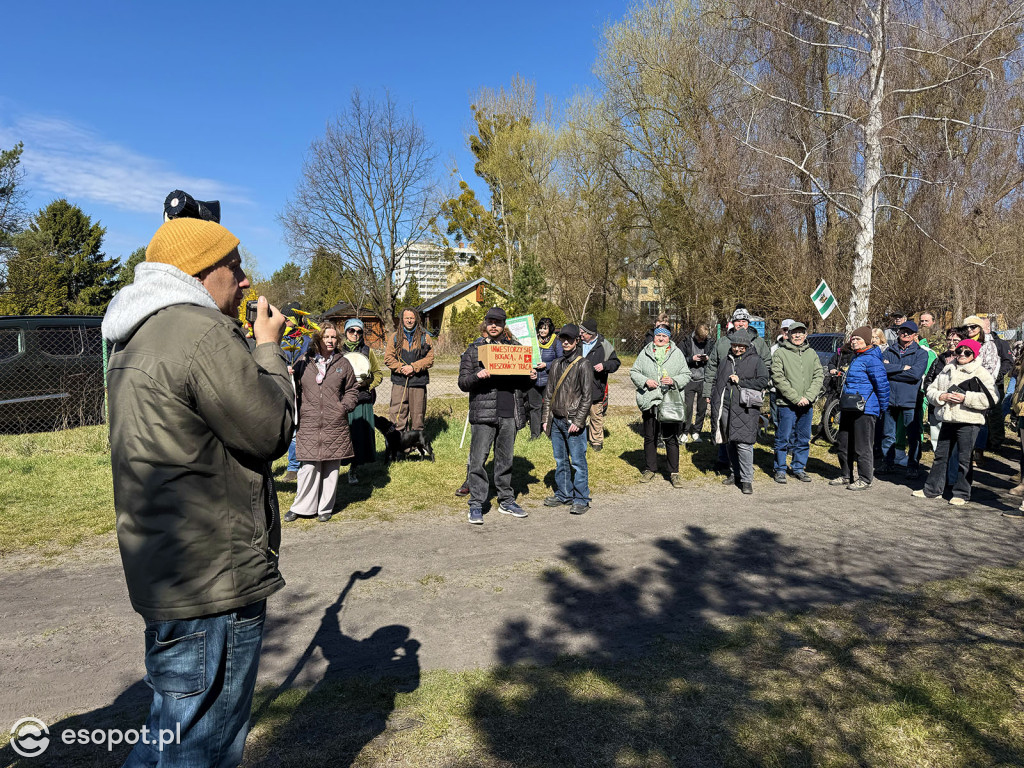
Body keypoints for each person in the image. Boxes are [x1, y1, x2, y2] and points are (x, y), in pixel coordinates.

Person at [102, 217, 294, 767]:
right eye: (234, 267)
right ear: (202, 273)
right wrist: (267, 347)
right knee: (203, 746)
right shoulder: (201, 332)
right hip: (213, 578)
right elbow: (271, 428)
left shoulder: (134, 333)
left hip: (163, 568)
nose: (246, 282)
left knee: (169, 725)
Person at [458, 307, 535, 524]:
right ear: (485, 323)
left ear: (504, 326)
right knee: (478, 460)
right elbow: (463, 383)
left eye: (498, 322)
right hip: (483, 413)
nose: (494, 326)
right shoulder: (473, 350)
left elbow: (524, 383)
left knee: (505, 460)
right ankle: (476, 504)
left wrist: (530, 376)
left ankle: (506, 500)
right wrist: (477, 376)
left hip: (509, 412)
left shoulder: (516, 349)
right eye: (491, 322)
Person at [285, 322, 360, 522]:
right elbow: (294, 389)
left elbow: (352, 389)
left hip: (335, 422)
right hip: (309, 421)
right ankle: (302, 507)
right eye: (326, 337)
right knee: (308, 467)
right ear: (318, 338)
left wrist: (343, 407)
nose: (330, 341)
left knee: (330, 468)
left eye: (333, 337)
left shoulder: (343, 363)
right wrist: (289, 376)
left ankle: (325, 508)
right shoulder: (303, 361)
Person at [913, 339, 997, 506]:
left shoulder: (981, 373)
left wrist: (965, 398)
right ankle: (932, 490)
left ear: (974, 355)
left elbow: (992, 398)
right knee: (940, 456)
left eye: (967, 352)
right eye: (960, 351)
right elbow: (931, 389)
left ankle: (961, 493)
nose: (962, 355)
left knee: (964, 458)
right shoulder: (947, 369)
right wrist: (941, 397)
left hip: (969, 421)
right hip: (948, 419)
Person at [703, 308, 772, 471]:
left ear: (748, 323)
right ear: (732, 323)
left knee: (744, 428)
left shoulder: (758, 342)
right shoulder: (722, 342)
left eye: (744, 321)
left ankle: (745, 466)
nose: (741, 324)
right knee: (723, 425)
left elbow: (767, 365)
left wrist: (757, 385)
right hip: (725, 394)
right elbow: (712, 367)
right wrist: (707, 391)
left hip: (747, 396)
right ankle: (723, 460)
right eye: (737, 321)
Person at [541, 324, 595, 514]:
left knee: (578, 462)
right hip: (555, 421)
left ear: (577, 341)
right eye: (562, 338)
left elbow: (588, 397)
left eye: (569, 339)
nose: (565, 342)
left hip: (573, 422)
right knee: (560, 460)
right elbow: (548, 395)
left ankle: (581, 498)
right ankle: (564, 494)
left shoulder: (583, 364)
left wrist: (579, 421)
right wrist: (546, 418)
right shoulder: (556, 364)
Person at [631, 324, 691, 487]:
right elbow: (634, 372)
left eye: (664, 336)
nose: (661, 338)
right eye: (659, 336)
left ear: (669, 337)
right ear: (654, 336)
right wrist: (645, 381)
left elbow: (686, 374)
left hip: (669, 402)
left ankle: (674, 472)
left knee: (671, 438)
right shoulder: (645, 352)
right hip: (650, 400)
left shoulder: (677, 353)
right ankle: (650, 469)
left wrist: (673, 381)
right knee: (650, 437)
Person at [709, 332, 770, 494]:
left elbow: (764, 380)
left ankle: (746, 480)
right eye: (734, 345)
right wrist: (713, 398)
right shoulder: (725, 361)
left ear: (747, 346)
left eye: (741, 346)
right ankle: (734, 473)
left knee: (744, 444)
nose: (737, 349)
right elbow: (716, 381)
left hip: (746, 407)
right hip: (727, 407)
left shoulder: (756, 361)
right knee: (730, 442)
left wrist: (741, 381)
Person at [831, 326, 890, 491]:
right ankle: (845, 475)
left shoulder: (872, 359)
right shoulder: (855, 357)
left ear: (867, 341)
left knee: (862, 446)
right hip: (849, 406)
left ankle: (865, 478)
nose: (854, 341)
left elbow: (882, 386)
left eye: (858, 339)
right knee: (843, 443)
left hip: (866, 409)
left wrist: (882, 409)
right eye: (853, 338)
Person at [770, 321, 823, 483]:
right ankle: (780, 468)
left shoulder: (812, 353)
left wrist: (809, 396)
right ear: (788, 335)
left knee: (803, 437)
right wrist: (795, 398)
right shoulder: (780, 353)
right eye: (794, 332)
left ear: (806, 335)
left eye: (801, 332)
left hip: (807, 404)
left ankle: (799, 467)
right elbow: (778, 377)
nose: (798, 335)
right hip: (787, 404)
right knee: (783, 438)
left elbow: (819, 375)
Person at [878, 319, 929, 479]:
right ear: (898, 333)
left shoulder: (921, 353)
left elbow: (915, 375)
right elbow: (881, 369)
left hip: (911, 400)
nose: (905, 334)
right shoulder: (888, 351)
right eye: (902, 331)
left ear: (915, 335)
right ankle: (888, 463)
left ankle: (913, 466)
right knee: (888, 434)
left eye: (909, 332)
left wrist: (891, 371)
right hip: (890, 398)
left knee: (913, 435)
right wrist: (901, 368)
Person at [341, 318, 384, 484]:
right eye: (352, 331)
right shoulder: (338, 351)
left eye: (359, 331)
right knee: (343, 435)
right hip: (343, 400)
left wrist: (368, 385)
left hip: (362, 400)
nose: (355, 334)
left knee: (358, 436)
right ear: (346, 332)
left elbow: (378, 373)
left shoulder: (368, 351)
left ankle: (354, 469)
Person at [384, 307, 434, 431]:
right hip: (399, 382)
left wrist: (413, 367)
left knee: (418, 416)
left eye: (412, 318)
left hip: (418, 382)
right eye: (407, 318)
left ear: (416, 319)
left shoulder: (425, 337)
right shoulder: (395, 337)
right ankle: (400, 446)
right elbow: (388, 358)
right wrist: (402, 368)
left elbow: (430, 359)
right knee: (398, 413)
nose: (409, 321)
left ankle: (417, 445)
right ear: (402, 320)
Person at [960, 315, 1000, 465]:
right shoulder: (963, 343)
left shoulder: (988, 344)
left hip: (980, 385)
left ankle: (978, 451)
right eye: (966, 327)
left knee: (981, 420)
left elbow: (991, 367)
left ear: (980, 328)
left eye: (973, 327)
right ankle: (965, 452)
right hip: (962, 384)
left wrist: (977, 381)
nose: (969, 330)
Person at [579, 317, 621, 452]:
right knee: (578, 414)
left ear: (590, 334)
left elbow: (616, 362)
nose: (580, 334)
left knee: (596, 415)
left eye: (583, 333)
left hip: (595, 387)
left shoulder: (605, 344)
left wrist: (604, 365)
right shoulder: (577, 343)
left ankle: (596, 441)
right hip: (578, 387)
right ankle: (577, 438)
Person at [280, 304, 312, 483]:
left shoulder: (304, 338)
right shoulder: (280, 337)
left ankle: (293, 466)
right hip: (282, 384)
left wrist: (297, 367)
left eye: (288, 319)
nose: (285, 321)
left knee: (296, 427)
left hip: (299, 386)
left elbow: (306, 357)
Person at [528, 317, 563, 440]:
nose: (542, 331)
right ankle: (534, 434)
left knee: (549, 407)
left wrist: (546, 365)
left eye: (545, 328)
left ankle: (550, 432)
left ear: (550, 329)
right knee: (534, 407)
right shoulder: (532, 341)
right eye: (541, 328)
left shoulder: (556, 342)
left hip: (548, 379)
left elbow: (560, 360)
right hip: (533, 380)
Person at [679, 322, 712, 442]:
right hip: (689, 378)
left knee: (702, 408)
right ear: (696, 335)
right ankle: (684, 431)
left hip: (704, 379)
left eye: (704, 339)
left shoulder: (710, 342)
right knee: (687, 407)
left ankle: (697, 431)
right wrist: (691, 359)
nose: (702, 341)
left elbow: (714, 358)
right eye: (700, 338)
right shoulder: (686, 341)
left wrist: (708, 358)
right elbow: (679, 359)